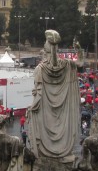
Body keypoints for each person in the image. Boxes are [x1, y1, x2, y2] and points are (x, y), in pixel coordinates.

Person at [27, 30, 79, 162]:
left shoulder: (40, 69)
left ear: (46, 49)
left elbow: (38, 95)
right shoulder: (67, 65)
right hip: (63, 117)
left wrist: (31, 108)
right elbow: (80, 63)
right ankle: (62, 149)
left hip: (45, 113)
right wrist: (79, 51)